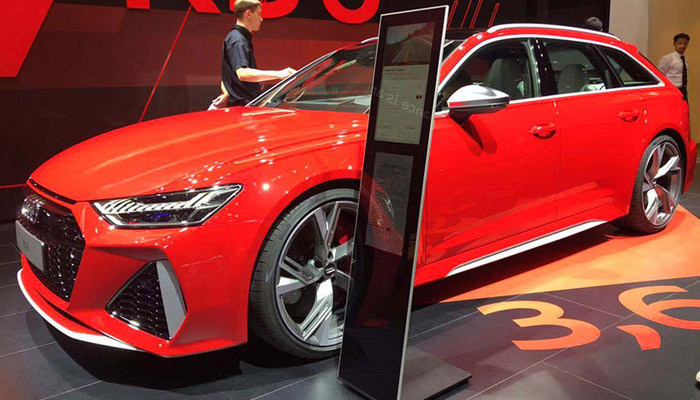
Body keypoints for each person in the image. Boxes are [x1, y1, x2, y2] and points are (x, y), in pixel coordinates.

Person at [210, 0, 296, 109]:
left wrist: (227, 94)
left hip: (243, 106)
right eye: (259, 14)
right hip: (243, 109)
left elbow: (228, 76)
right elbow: (242, 74)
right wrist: (279, 74)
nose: (261, 19)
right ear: (248, 14)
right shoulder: (238, 39)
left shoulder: (236, 37)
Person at [658, 33, 690, 102]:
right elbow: (659, 76)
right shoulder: (667, 59)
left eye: (685, 43)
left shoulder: (685, 59)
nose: (682, 46)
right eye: (680, 43)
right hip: (672, 90)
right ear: (674, 43)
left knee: (684, 108)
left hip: (683, 90)